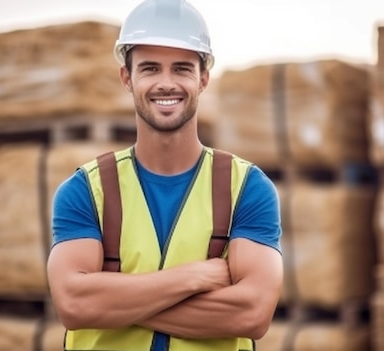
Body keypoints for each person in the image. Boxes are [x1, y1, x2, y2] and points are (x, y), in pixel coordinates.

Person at [46, 0, 283, 350]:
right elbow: (75, 304)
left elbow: (251, 313)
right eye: (151, 68)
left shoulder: (246, 188)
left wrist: (112, 299)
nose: (166, 83)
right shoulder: (85, 190)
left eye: (182, 69)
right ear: (127, 77)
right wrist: (192, 278)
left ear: (203, 78)